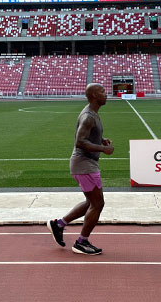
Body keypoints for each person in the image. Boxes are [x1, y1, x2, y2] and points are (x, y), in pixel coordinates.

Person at [48, 83, 114, 255]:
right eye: (102, 92)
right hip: (85, 165)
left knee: (90, 203)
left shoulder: (92, 114)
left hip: (84, 164)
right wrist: (103, 149)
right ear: (93, 96)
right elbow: (80, 141)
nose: (106, 94)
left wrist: (101, 139)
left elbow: (88, 136)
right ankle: (81, 242)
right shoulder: (88, 117)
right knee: (98, 204)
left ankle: (59, 224)